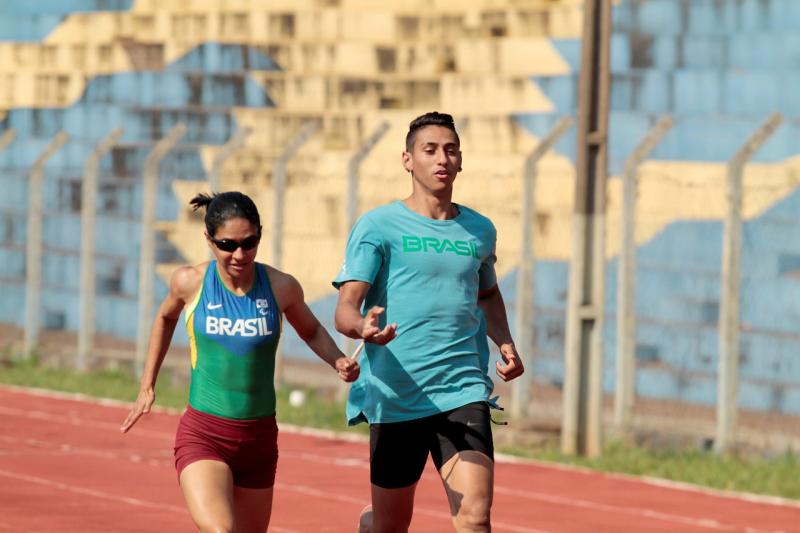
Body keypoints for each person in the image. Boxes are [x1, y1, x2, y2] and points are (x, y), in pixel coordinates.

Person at [120, 191, 360, 533]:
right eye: (227, 244)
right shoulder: (190, 282)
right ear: (208, 238)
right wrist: (147, 385)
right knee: (222, 530)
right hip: (205, 434)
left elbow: (311, 331)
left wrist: (337, 360)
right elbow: (164, 319)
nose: (239, 254)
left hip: (259, 440)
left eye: (249, 242)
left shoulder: (280, 286)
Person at [333, 111, 525, 532]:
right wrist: (362, 328)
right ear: (408, 160)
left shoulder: (479, 230)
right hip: (396, 395)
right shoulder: (378, 226)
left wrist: (505, 342)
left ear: (460, 160)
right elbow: (345, 307)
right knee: (390, 526)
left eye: (451, 150)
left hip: (461, 389)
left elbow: (487, 293)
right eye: (430, 150)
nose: (442, 159)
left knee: (475, 517)